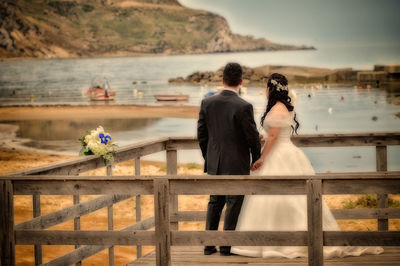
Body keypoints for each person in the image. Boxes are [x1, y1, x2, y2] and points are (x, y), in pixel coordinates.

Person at [231, 73, 383, 258]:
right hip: (285, 152)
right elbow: (272, 134)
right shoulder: (282, 107)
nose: (265, 90)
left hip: (279, 155)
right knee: (281, 199)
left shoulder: (277, 110)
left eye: (266, 87)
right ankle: (280, 241)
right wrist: (263, 137)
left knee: (281, 198)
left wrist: (262, 158)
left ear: (271, 89)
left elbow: (274, 137)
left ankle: (282, 243)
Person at [197, 62, 261, 256]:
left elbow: (202, 135)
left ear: (222, 80)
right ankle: (226, 246)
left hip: (215, 161)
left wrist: (209, 156)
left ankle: (209, 245)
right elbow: (252, 137)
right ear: (240, 82)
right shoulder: (244, 106)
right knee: (233, 202)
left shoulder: (207, 103)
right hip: (237, 163)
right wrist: (256, 157)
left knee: (215, 201)